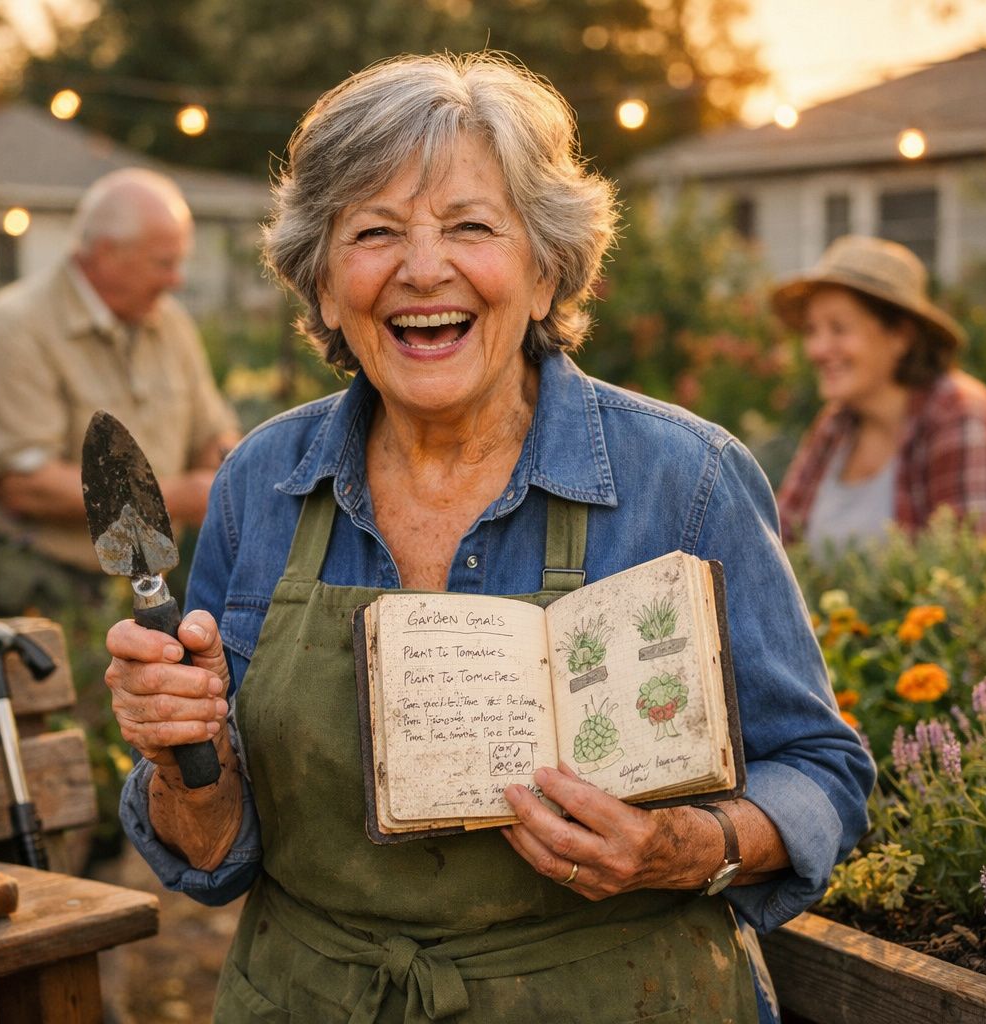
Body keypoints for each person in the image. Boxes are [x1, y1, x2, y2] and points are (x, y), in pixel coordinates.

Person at [103, 54, 875, 1023]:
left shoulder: (685, 479)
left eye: (471, 226)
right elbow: (211, 856)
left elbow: (821, 770)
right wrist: (185, 758)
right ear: (324, 284)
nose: (423, 270)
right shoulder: (262, 483)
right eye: (374, 232)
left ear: (547, 269)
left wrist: (684, 844)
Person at [0, 167, 240, 615]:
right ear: (106, 254)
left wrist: (226, 469)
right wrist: (178, 497)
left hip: (148, 587)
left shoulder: (170, 322)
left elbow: (214, 437)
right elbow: (26, 486)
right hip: (35, 590)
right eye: (164, 262)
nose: (176, 279)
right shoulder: (12, 329)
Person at [772, 234, 986, 553]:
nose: (817, 349)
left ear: (900, 336)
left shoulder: (960, 415)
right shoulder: (835, 427)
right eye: (811, 330)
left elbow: (978, 579)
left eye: (838, 328)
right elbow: (778, 549)